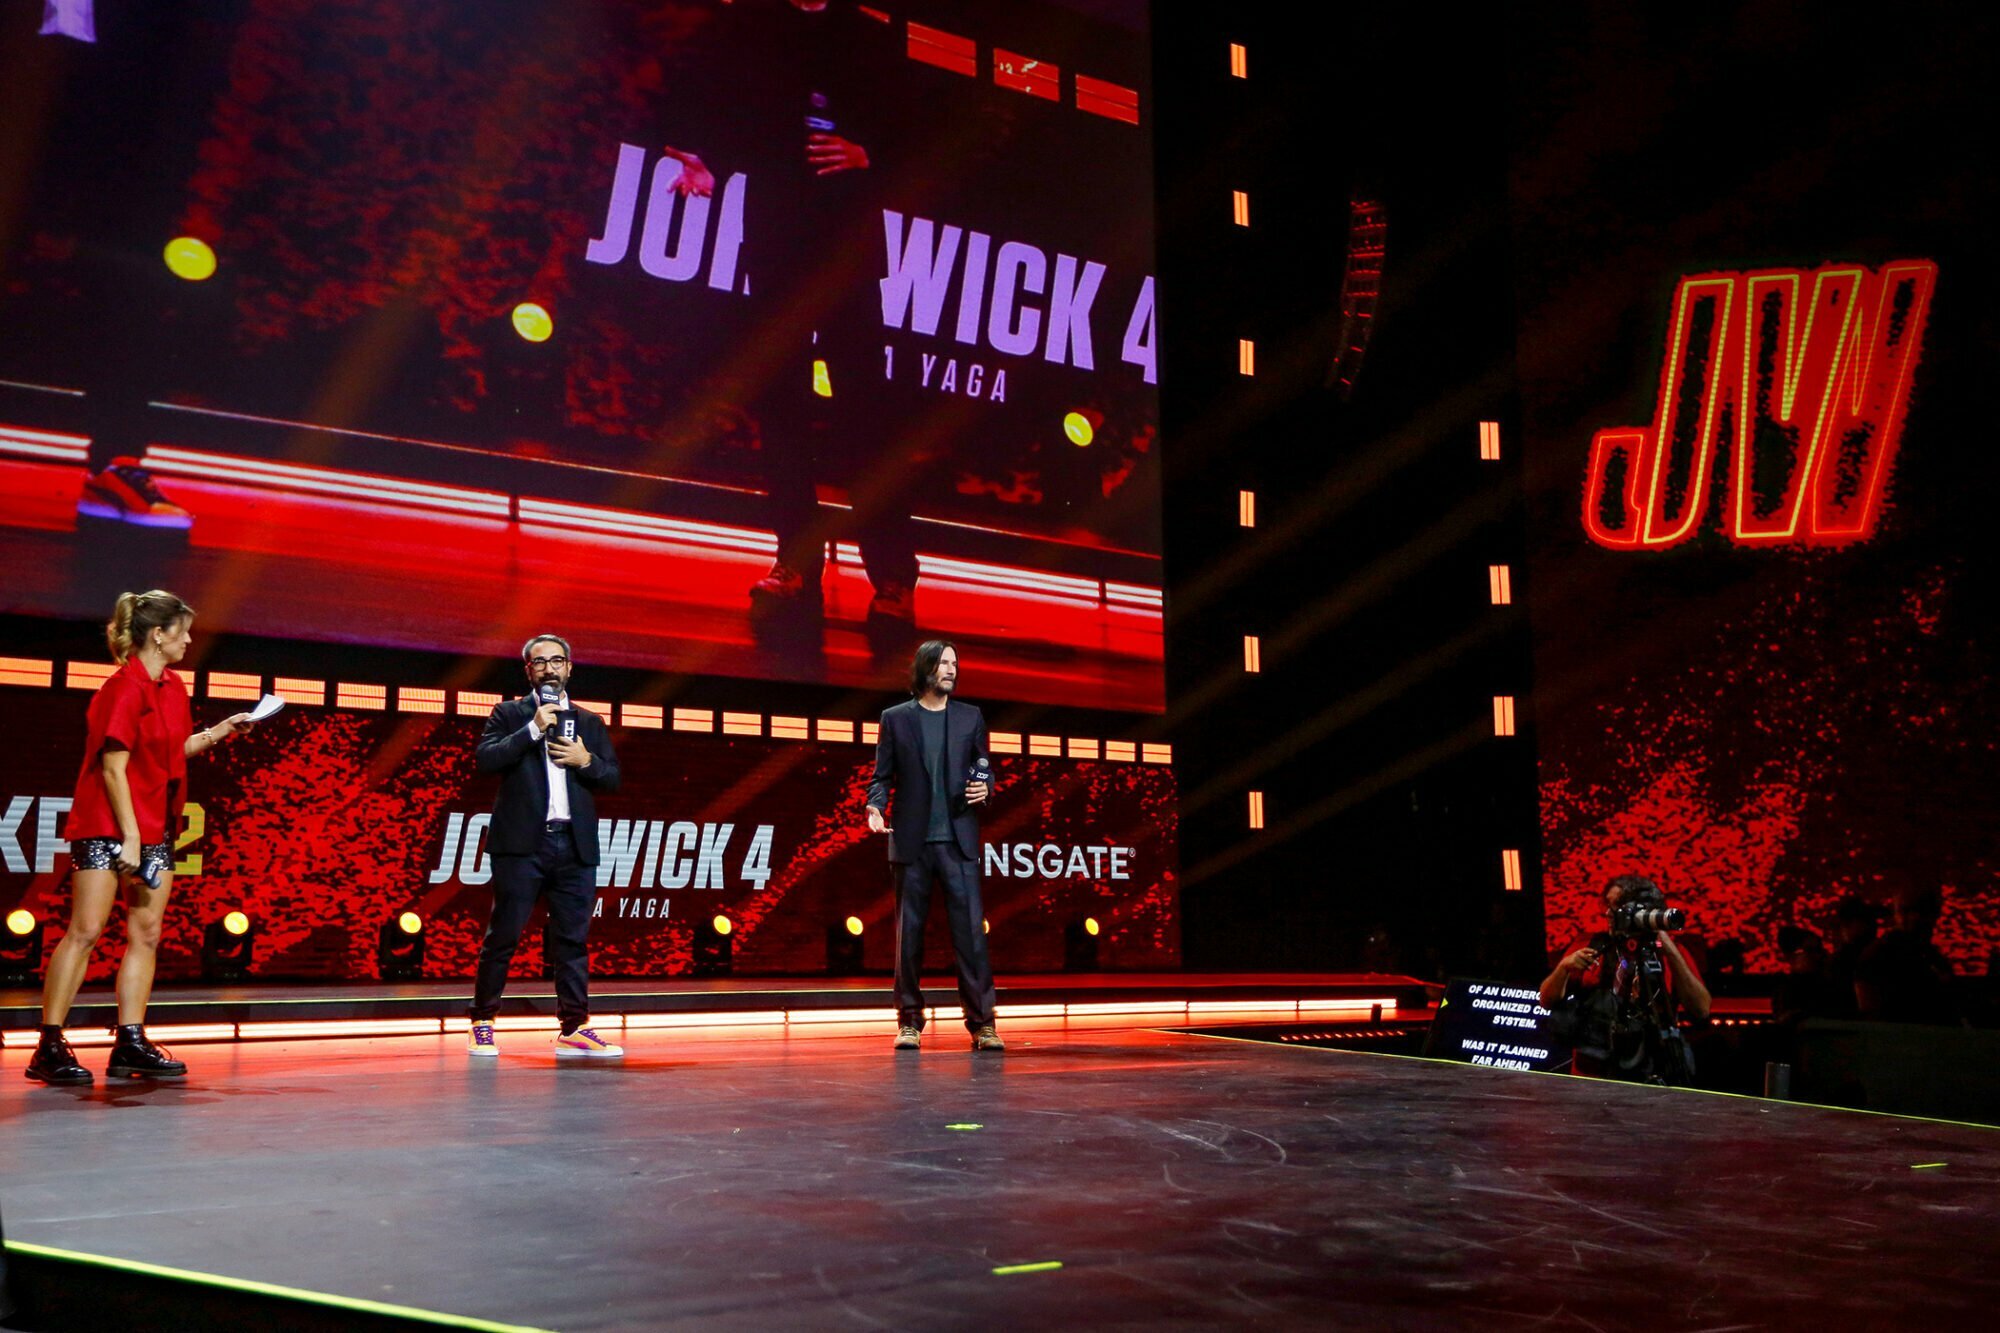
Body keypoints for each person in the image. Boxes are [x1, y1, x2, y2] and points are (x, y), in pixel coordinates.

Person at [26, 590, 253, 1085]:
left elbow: (173, 752)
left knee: (146, 932)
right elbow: (113, 768)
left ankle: (130, 1041)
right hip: (109, 823)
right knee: (86, 930)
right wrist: (129, 838)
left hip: (153, 826)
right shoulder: (123, 688)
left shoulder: (171, 686)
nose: (190, 639)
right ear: (158, 635)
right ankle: (48, 1043)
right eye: (183, 631)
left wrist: (221, 730)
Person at [466, 635, 624, 1059]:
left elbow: (611, 777)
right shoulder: (509, 713)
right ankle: (483, 1020)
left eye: (557, 661)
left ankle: (573, 1027)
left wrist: (584, 761)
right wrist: (534, 728)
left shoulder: (589, 723)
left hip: (573, 844)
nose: (550, 669)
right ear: (529, 672)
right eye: (541, 663)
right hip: (522, 844)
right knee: (504, 934)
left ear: (570, 668)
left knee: (572, 939)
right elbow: (486, 759)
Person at [865, 640, 1001, 1051]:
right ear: (925, 668)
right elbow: (881, 776)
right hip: (912, 842)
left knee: (971, 938)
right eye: (944, 663)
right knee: (909, 938)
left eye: (955, 663)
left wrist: (987, 790)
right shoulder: (895, 719)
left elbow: (985, 770)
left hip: (958, 841)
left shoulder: (970, 717)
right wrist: (874, 806)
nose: (951, 670)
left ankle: (983, 1025)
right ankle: (909, 1021)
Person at [1539, 874, 1710, 1083]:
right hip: (1592, 1076)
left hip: (1651, 1076)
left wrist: (1667, 947)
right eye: (1608, 904)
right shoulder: (1589, 946)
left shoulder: (1668, 952)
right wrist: (1563, 968)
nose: (1608, 913)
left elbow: (1701, 1010)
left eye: (1617, 906)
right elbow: (1546, 1000)